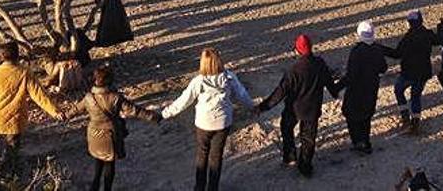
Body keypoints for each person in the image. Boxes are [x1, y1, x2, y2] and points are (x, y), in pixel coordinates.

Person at [162, 48, 255, 191]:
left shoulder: (198, 81)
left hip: (204, 123)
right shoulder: (229, 77)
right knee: (216, 157)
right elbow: (242, 94)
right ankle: (213, 187)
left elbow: (183, 101)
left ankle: (199, 187)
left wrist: (166, 113)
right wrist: (253, 107)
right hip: (223, 122)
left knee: (202, 154)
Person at [257, 35, 341, 177]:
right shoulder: (320, 64)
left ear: (297, 51)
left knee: (286, 127)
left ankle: (290, 156)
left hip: (294, 108)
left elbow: (280, 93)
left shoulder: (293, 70)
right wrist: (338, 89)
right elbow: (330, 85)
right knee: (308, 138)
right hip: (312, 108)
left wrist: (263, 107)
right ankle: (305, 165)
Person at [69, 66, 160, 191]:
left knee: (98, 160)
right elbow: (135, 111)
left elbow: (74, 111)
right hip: (110, 136)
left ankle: (94, 186)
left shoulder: (88, 97)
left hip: (93, 135)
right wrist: (153, 116)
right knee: (109, 164)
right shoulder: (115, 98)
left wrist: (60, 114)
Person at [0, 42, 62, 152]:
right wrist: (55, 112)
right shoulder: (25, 73)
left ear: (1, 56)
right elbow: (40, 96)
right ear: (18, 56)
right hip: (15, 123)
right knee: (12, 154)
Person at [335, 21, 387, 154]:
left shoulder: (357, 52)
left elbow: (351, 75)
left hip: (357, 89)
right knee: (366, 116)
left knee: (351, 114)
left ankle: (358, 142)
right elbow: (383, 68)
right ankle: (365, 141)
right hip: (371, 88)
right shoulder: (377, 49)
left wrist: (337, 87)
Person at [386, 10, 439, 135]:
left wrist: (381, 49)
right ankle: (415, 122)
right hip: (423, 72)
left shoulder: (407, 38)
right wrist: (442, 28)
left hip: (408, 72)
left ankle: (405, 117)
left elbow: (396, 54)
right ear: (421, 21)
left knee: (399, 90)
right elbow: (438, 40)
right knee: (415, 96)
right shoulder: (428, 34)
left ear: (409, 23)